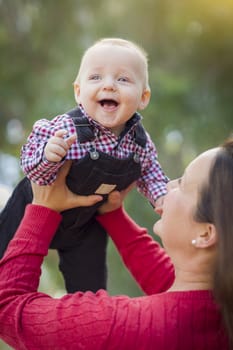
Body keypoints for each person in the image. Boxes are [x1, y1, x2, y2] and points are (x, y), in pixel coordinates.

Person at [0, 137, 232, 350]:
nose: (170, 184)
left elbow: (7, 308)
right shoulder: (222, 314)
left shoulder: (118, 326)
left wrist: (43, 208)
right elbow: (167, 281)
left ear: (205, 234)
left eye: (182, 183)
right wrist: (113, 215)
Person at [0, 37, 168, 293]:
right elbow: (32, 170)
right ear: (78, 92)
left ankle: (84, 315)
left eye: (123, 79)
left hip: (86, 224)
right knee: (4, 258)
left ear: (143, 97)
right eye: (96, 77)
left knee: (90, 292)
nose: (109, 85)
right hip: (32, 209)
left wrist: (162, 198)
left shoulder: (140, 144)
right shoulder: (65, 128)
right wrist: (49, 157)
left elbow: (151, 175)